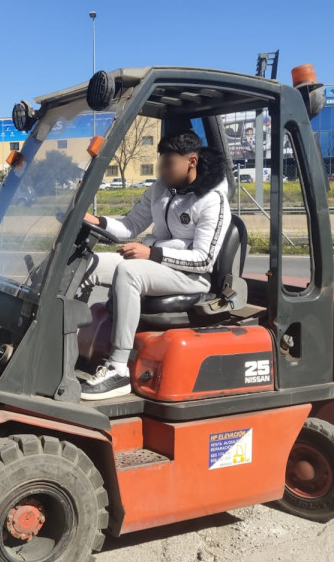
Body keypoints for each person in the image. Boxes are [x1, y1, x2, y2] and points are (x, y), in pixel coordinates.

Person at [80, 130, 231, 400]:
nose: (162, 170)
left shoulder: (212, 200)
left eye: (169, 163)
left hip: (191, 276)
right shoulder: (161, 189)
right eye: (161, 162)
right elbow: (129, 225)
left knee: (129, 271)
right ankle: (67, 347)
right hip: (155, 263)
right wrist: (97, 221)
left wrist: (153, 254)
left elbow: (204, 259)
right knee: (84, 264)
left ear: (191, 162)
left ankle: (117, 369)